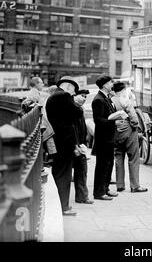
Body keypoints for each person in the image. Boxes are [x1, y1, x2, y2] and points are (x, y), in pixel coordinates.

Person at [45, 76, 84, 216]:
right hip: (64, 142)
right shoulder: (64, 95)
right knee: (64, 174)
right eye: (74, 90)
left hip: (58, 140)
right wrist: (77, 104)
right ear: (68, 86)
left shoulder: (54, 96)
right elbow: (78, 113)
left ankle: (60, 205)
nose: (74, 93)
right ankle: (64, 207)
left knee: (59, 172)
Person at [111, 82, 148, 193]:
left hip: (116, 132)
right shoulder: (125, 100)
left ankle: (120, 185)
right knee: (133, 158)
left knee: (118, 157)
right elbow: (134, 118)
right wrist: (135, 126)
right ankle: (135, 186)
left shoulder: (110, 100)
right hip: (129, 131)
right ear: (123, 90)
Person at [92, 75, 118, 200]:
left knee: (109, 164)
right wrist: (113, 120)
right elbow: (98, 120)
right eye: (110, 82)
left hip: (109, 137)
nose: (112, 84)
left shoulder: (106, 98)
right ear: (104, 85)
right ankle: (99, 192)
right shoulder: (98, 99)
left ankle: (105, 188)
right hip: (103, 138)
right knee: (102, 165)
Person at [73, 89, 94, 204]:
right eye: (82, 95)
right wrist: (77, 145)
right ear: (75, 96)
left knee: (82, 170)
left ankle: (82, 196)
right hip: (76, 145)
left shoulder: (80, 108)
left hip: (80, 144)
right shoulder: (74, 109)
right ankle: (82, 196)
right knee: (81, 170)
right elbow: (73, 129)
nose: (84, 98)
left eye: (86, 97)